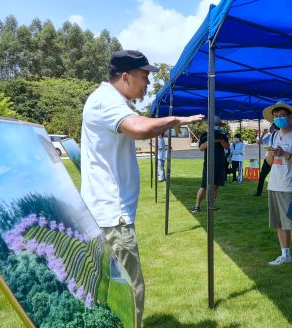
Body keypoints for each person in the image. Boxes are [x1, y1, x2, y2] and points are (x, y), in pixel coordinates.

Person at [81, 50, 204, 327]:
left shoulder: (110, 100)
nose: (147, 83)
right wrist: (174, 120)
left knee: (105, 290)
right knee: (130, 290)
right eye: (144, 77)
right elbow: (138, 128)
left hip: (105, 213)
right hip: (113, 217)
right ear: (125, 77)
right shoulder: (106, 101)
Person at [264, 101, 292, 276]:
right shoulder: (273, 135)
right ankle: (285, 255)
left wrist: (286, 154)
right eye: (276, 117)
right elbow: (269, 162)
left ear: (290, 117)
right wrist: (271, 153)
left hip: (291, 186)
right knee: (279, 223)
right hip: (274, 184)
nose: (279, 119)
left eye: (282, 116)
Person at [191, 116, 229, 214]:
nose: (217, 126)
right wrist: (211, 141)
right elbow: (201, 148)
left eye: (218, 125)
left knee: (215, 185)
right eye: (215, 125)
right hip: (209, 164)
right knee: (204, 185)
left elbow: (227, 147)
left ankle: (211, 205)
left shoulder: (222, 135)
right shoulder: (204, 135)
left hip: (220, 164)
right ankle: (197, 206)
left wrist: (220, 140)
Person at [255, 124, 277, 196]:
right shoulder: (269, 136)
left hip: (277, 160)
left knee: (276, 177)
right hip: (268, 159)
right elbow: (259, 142)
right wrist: (263, 134)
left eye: (271, 128)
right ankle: (259, 192)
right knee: (262, 176)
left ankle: (275, 192)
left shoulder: (279, 136)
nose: (270, 129)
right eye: (270, 128)